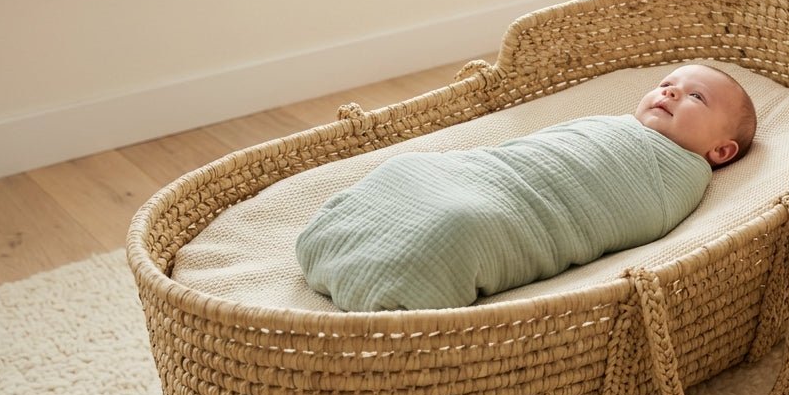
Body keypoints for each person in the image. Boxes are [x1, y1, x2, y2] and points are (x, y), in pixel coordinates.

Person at [296, 62, 758, 311]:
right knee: (407, 168)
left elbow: (621, 212)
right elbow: (533, 151)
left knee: (461, 224)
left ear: (720, 152)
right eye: (667, 83)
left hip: (506, 207)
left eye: (696, 96)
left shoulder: (678, 175)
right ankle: (345, 236)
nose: (670, 92)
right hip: (491, 173)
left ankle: (402, 278)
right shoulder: (610, 124)